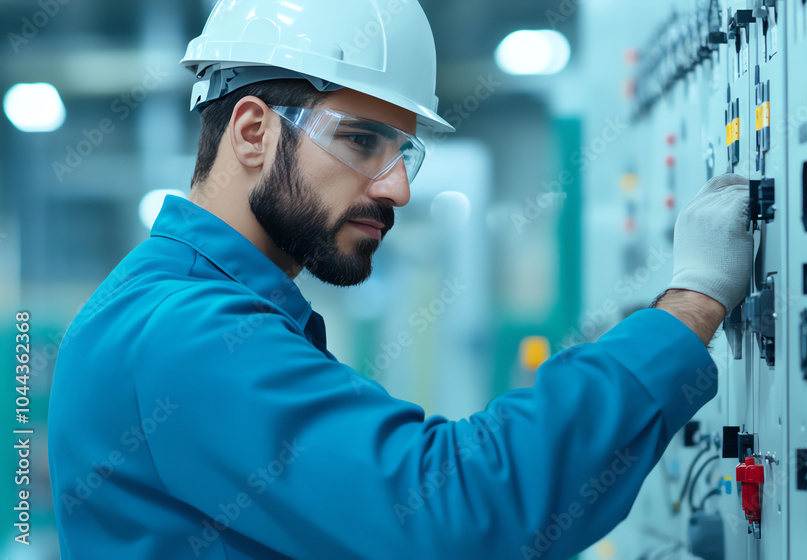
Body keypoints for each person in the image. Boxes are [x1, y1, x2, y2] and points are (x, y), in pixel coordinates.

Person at [47, 0, 752, 558]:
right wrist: (688, 309)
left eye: (403, 152)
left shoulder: (173, 310)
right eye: (361, 140)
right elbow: (452, 513)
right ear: (253, 132)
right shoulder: (186, 333)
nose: (396, 189)